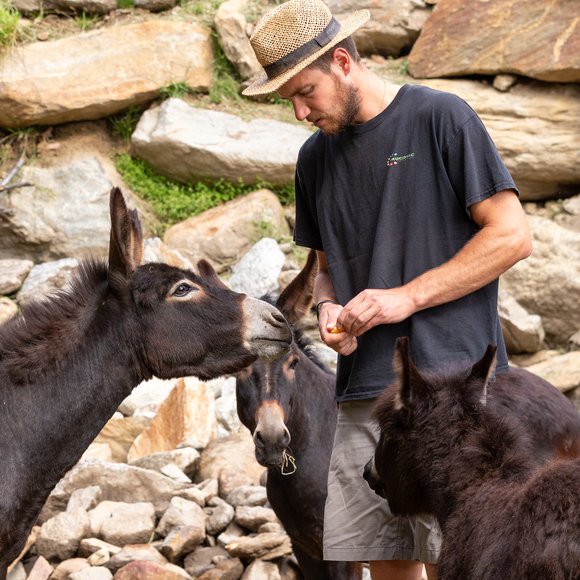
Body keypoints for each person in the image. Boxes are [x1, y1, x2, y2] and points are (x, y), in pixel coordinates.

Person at [242, 1, 532, 579]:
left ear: (343, 62)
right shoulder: (312, 160)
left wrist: (408, 296)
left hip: (454, 397)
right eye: (288, 101)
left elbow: (513, 236)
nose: (299, 111)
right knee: (386, 568)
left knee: (470, 562)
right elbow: (325, 266)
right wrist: (327, 307)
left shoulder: (440, 117)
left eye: (306, 92)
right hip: (363, 397)